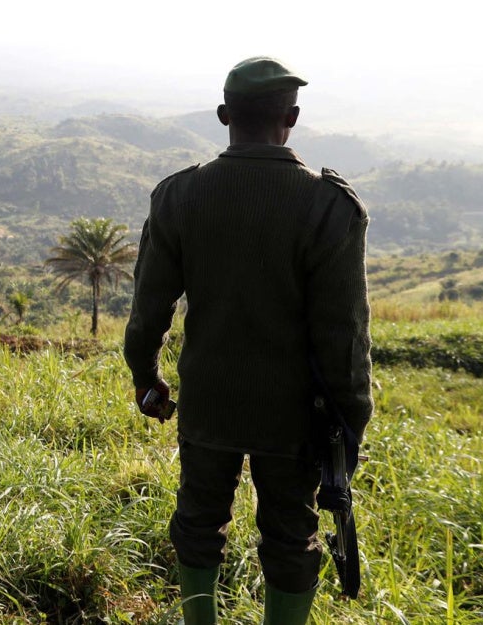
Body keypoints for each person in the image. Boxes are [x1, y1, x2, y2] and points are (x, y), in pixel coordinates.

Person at [123, 57, 373, 625]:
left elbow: (148, 310)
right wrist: (351, 418)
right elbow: (344, 332)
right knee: (291, 536)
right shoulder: (329, 205)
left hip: (209, 398)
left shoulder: (179, 196)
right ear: (292, 116)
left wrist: (146, 375)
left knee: (197, 523)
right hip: (297, 411)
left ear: (223, 115)